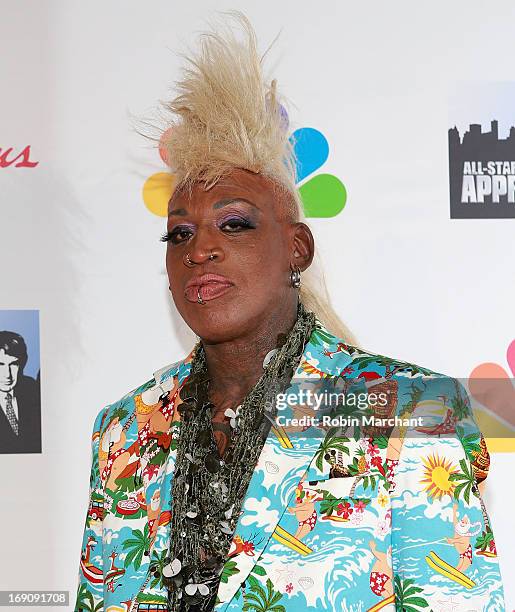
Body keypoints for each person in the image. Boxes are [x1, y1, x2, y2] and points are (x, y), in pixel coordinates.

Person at [74, 12, 505, 612]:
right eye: (179, 234)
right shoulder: (123, 431)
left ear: (296, 248)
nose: (200, 248)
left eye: (235, 223)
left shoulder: (413, 411)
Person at [0, 330, 41, 454]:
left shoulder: (31, 388)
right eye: (0, 364)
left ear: (22, 364)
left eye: (13, 364)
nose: (7, 375)